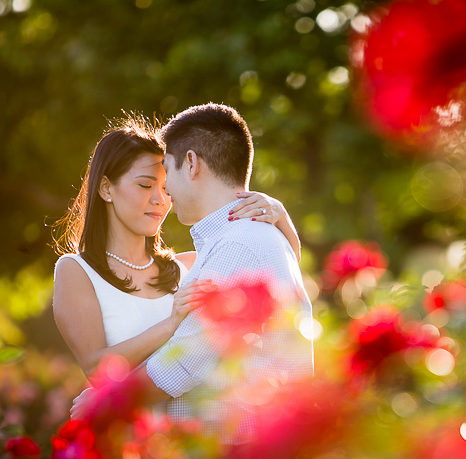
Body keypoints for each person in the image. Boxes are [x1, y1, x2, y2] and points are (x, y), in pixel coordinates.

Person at [52, 118, 300, 387]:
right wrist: (171, 324)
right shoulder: (76, 270)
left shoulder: (192, 264)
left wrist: (280, 215)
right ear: (106, 188)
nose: (161, 199)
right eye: (145, 185)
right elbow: (96, 368)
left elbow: (280, 274)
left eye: (165, 186)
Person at [129, 103, 315, 440]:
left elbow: (185, 362)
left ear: (191, 163)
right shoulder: (236, 240)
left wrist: (107, 402)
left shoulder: (238, 245)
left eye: (167, 170)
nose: (166, 187)